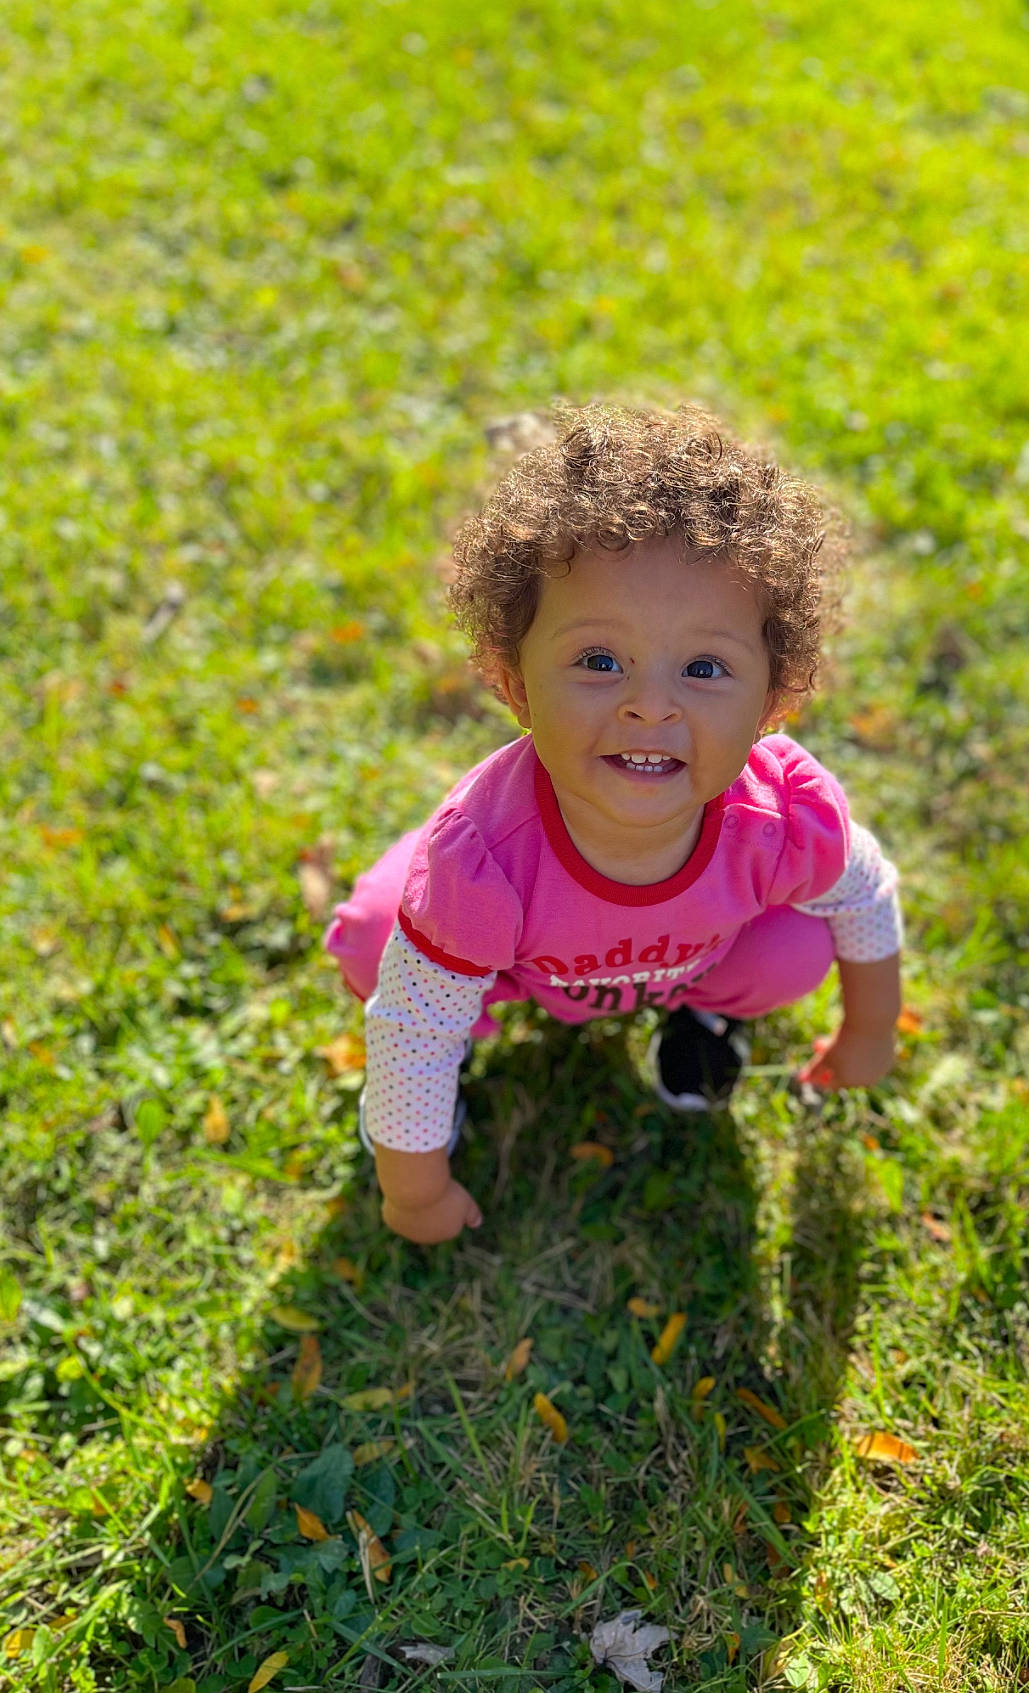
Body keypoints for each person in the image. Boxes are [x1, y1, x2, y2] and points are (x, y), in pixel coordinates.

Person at [324, 399, 903, 1244]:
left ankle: (700, 1020)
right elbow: (411, 1026)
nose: (649, 707)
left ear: (773, 700)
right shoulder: (484, 864)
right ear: (515, 682)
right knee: (383, 941)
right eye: (599, 661)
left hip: (691, 956)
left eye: (705, 667)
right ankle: (461, 1053)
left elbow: (864, 890)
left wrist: (870, 1030)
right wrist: (415, 1191)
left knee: (798, 944)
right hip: (516, 964)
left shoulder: (780, 815)